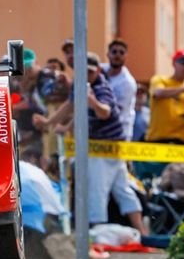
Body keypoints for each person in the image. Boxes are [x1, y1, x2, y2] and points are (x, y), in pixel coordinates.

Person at [33, 52, 147, 236]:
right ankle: (141, 232)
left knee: (98, 192)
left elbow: (105, 112)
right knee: (122, 190)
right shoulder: (80, 85)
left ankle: (97, 234)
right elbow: (72, 107)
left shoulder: (101, 88)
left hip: (104, 148)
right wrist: (51, 123)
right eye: (83, 71)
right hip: (105, 148)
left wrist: (92, 101)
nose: (86, 75)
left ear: (98, 71)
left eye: (90, 72)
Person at [145, 50, 184, 145]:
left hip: (182, 140)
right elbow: (158, 93)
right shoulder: (160, 80)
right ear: (174, 63)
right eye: (183, 62)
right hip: (157, 139)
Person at [101, 38, 136, 141]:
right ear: (108, 54)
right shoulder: (99, 71)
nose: (117, 55)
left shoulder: (128, 83)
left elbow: (116, 110)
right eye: (114, 52)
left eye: (121, 52)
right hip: (100, 131)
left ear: (126, 56)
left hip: (120, 131)